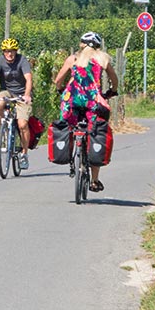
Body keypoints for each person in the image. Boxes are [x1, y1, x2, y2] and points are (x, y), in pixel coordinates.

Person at [51, 30, 120, 192]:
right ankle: (95, 180)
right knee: (96, 133)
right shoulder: (102, 59)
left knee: (67, 127)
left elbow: (58, 80)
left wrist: (61, 90)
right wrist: (112, 91)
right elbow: (114, 80)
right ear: (97, 46)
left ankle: (69, 153)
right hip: (93, 101)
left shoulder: (72, 59)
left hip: (71, 100)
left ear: (81, 45)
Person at [0, 37, 34, 169]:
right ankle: (2, 129)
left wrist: (27, 95)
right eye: (7, 51)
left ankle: (24, 154)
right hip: (7, 92)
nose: (9, 54)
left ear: (16, 51)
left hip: (22, 94)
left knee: (22, 124)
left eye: (12, 51)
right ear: (3, 52)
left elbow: (29, 79)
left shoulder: (22, 60)